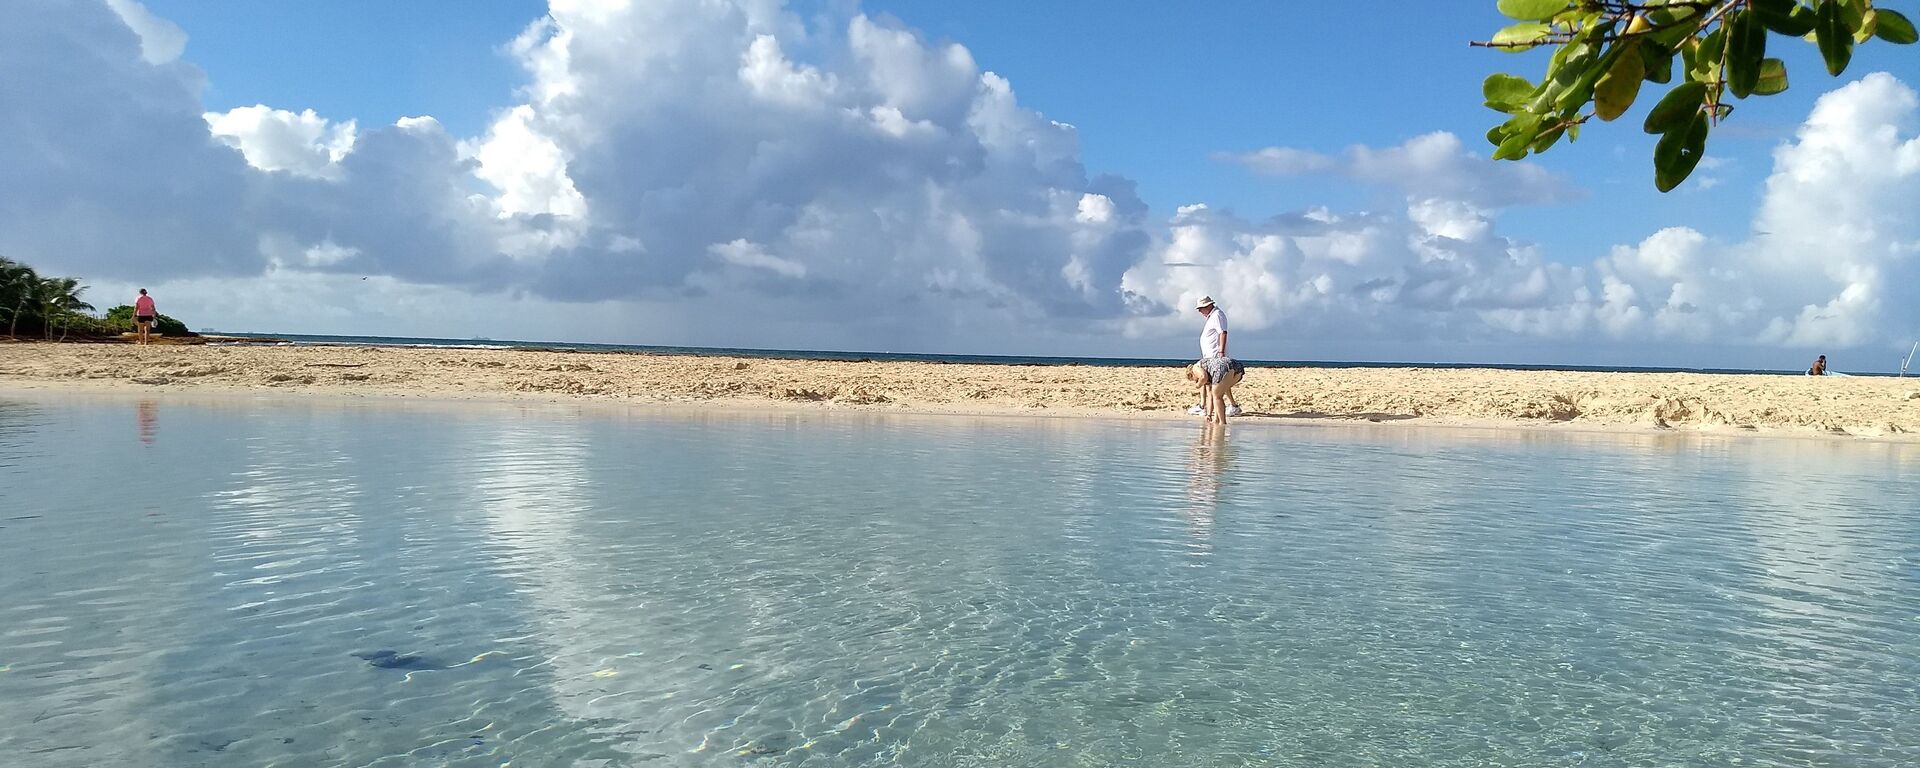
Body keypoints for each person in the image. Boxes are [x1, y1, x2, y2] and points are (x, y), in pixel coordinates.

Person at [1188, 296, 1243, 417]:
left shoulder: (1217, 315)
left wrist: (1221, 352)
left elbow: (1222, 332)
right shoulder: (1212, 316)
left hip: (1215, 356)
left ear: (1207, 306)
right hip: (1209, 355)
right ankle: (1205, 406)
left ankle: (1210, 408)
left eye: (1201, 309)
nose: (1199, 311)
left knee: (1214, 383)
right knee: (1216, 383)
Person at [1187, 357, 1244, 425]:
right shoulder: (1209, 375)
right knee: (1217, 394)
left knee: (1217, 396)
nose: (1196, 380)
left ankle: (1222, 423)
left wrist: (1198, 385)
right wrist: (1209, 415)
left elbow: (1203, 377)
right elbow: (1210, 397)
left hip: (1222, 366)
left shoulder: (1195, 367)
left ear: (1191, 374)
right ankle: (1216, 419)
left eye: (1195, 379)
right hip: (1237, 367)